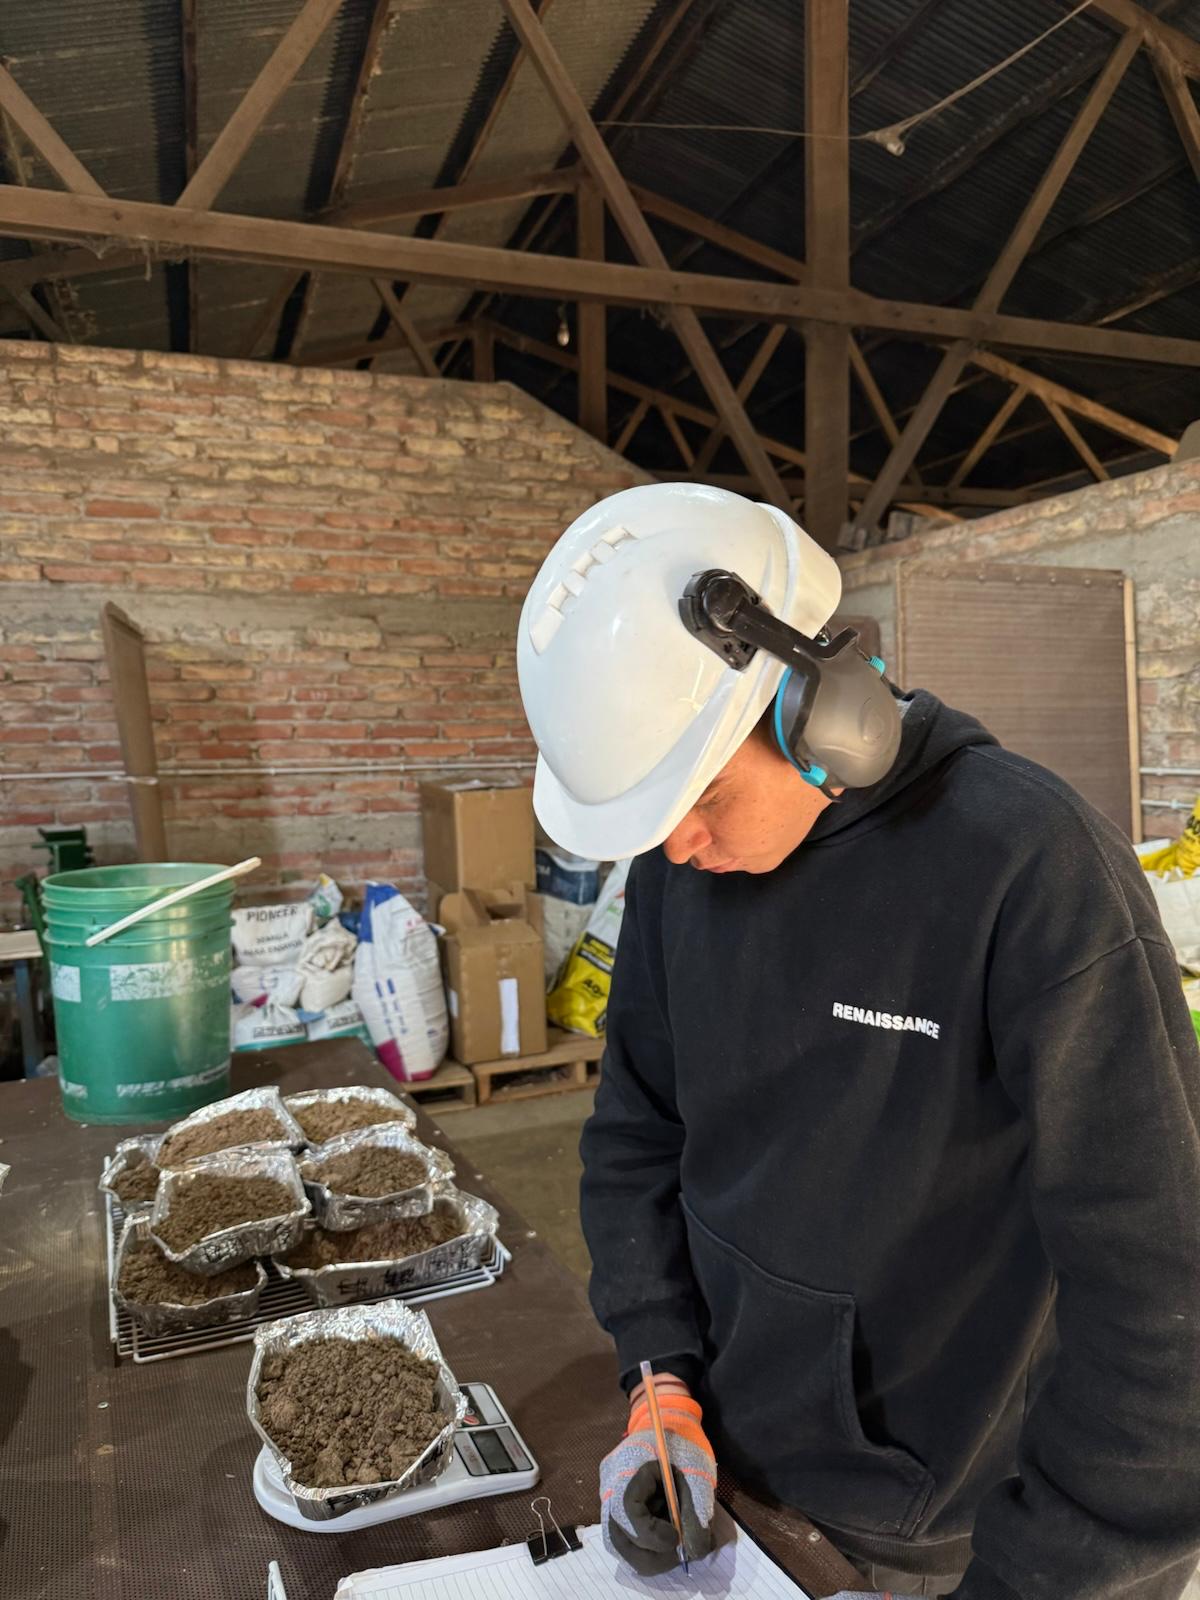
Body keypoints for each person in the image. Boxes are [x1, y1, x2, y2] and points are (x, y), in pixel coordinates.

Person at [515, 482, 1200, 1599]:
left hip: (937, 1535)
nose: (677, 844)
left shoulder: (1030, 873)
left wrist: (1050, 1575)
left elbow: (1164, 1297)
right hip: (723, 1469)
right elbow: (637, 1133)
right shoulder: (680, 879)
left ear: (820, 707)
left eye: (700, 796)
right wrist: (660, 1381)